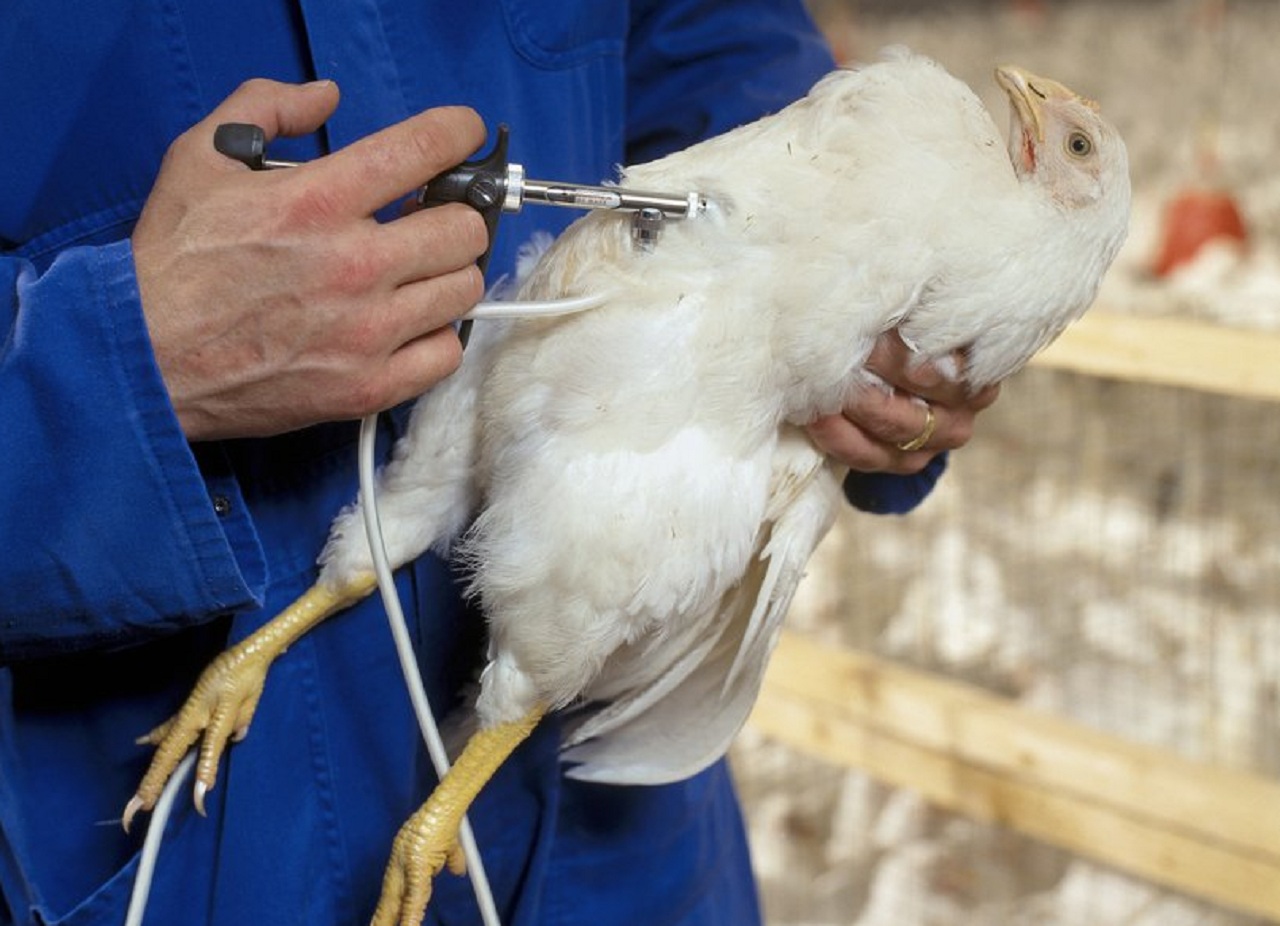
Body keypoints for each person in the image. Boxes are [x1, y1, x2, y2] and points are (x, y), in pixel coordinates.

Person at [0, 2, 999, 925]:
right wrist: (113, 365)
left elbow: (711, 33)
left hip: (612, 857)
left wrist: (852, 260)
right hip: (189, 835)